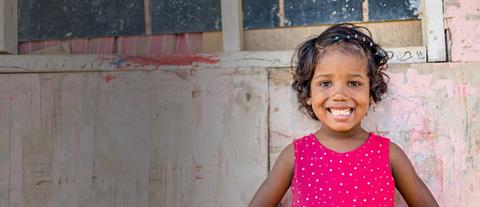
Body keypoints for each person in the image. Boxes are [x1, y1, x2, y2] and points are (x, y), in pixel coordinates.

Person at [249, 23, 438, 207]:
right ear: (308, 94)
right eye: (325, 83)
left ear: (371, 93)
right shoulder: (295, 156)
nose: (340, 95)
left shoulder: (390, 155)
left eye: (354, 83)